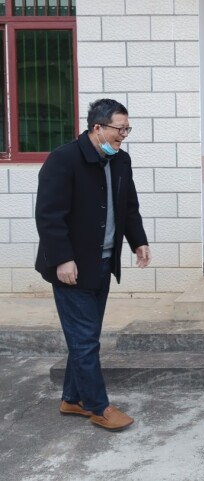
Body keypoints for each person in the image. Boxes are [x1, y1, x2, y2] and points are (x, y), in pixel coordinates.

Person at [35, 98, 151, 432]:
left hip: (102, 263)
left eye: (127, 129)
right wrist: (62, 259)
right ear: (97, 127)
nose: (124, 135)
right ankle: (98, 406)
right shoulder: (63, 160)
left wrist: (138, 241)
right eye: (120, 129)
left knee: (85, 338)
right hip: (72, 267)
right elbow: (49, 216)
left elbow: (129, 207)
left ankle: (72, 398)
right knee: (85, 340)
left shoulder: (120, 161)